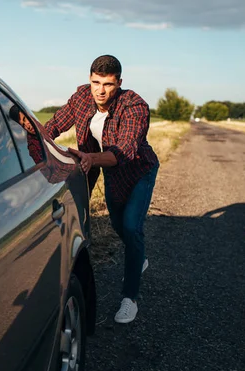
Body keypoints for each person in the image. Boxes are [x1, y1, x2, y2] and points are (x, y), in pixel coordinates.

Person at [44, 55, 159, 324]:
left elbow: (124, 150)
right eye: (96, 82)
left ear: (119, 83)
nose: (100, 90)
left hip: (138, 170)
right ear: (89, 79)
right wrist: (35, 139)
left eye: (108, 84)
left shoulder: (134, 106)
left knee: (132, 227)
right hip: (110, 173)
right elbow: (54, 126)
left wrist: (89, 158)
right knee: (118, 224)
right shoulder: (82, 97)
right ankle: (137, 255)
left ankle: (129, 298)